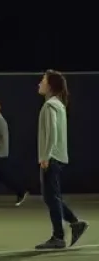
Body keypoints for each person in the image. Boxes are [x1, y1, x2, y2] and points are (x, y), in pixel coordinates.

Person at [34, 70, 88, 251]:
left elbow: (52, 133)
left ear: (50, 85)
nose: (39, 83)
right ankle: (74, 224)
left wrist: (46, 156)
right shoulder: (58, 104)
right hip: (56, 157)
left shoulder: (50, 105)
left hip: (52, 158)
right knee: (51, 197)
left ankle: (59, 237)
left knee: (51, 197)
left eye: (43, 80)